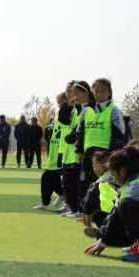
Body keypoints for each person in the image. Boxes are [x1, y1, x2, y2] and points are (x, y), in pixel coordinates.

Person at [60, 81, 90, 218]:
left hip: (78, 154)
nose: (69, 94)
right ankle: (73, 209)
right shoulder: (72, 110)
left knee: (78, 184)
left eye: (71, 91)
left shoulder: (85, 109)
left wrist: (73, 137)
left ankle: (79, 210)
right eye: (67, 91)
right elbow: (63, 119)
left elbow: (80, 130)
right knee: (68, 184)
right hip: (68, 153)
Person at [35, 93, 68, 211]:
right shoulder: (58, 115)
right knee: (48, 178)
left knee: (54, 178)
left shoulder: (69, 113)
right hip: (54, 153)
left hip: (62, 153)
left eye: (61, 101)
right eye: (58, 102)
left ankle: (67, 201)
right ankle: (57, 197)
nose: (59, 104)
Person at [79, 151, 118, 228]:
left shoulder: (102, 181)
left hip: (113, 217)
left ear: (103, 165)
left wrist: (86, 213)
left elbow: (90, 198)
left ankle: (102, 232)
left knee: (97, 215)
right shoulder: (122, 176)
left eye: (94, 165)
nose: (93, 168)